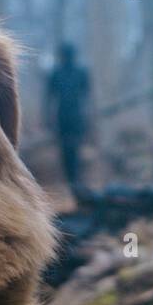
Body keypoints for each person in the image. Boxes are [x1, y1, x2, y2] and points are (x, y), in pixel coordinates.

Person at [44, 43, 90, 199]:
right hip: (65, 117)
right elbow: (49, 98)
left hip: (73, 117)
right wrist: (47, 119)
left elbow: (87, 97)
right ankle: (72, 181)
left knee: (73, 150)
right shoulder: (56, 74)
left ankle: (75, 181)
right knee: (67, 151)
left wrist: (89, 120)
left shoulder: (80, 73)